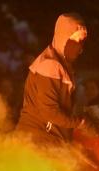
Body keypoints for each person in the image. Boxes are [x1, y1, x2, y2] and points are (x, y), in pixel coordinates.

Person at [15, 13, 94, 146]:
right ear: (63, 37)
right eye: (75, 41)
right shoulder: (50, 65)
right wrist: (81, 123)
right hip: (37, 142)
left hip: (46, 141)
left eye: (82, 42)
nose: (80, 48)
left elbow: (64, 108)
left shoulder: (61, 64)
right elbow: (50, 112)